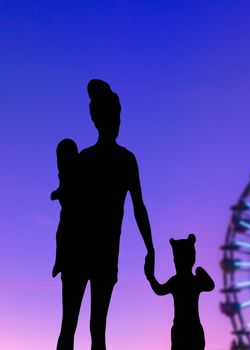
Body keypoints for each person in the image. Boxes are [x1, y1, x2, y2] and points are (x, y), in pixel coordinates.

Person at [56, 79, 155, 350]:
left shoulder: (89, 160)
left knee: (76, 327)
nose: (117, 120)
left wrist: (151, 248)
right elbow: (138, 207)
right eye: (115, 115)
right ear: (103, 118)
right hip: (100, 252)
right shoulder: (122, 160)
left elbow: (69, 206)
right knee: (90, 328)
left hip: (89, 252)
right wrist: (150, 248)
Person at [145, 234, 214, 350]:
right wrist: (200, 271)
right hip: (193, 329)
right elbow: (210, 285)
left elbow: (159, 290)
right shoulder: (194, 281)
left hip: (180, 329)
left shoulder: (176, 281)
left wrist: (150, 277)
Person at [51, 138, 79, 278]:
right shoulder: (62, 172)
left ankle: (60, 261)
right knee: (60, 235)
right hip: (67, 212)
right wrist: (57, 193)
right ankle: (59, 261)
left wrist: (59, 194)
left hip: (73, 213)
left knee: (62, 234)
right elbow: (61, 187)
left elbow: (68, 189)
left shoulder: (76, 170)